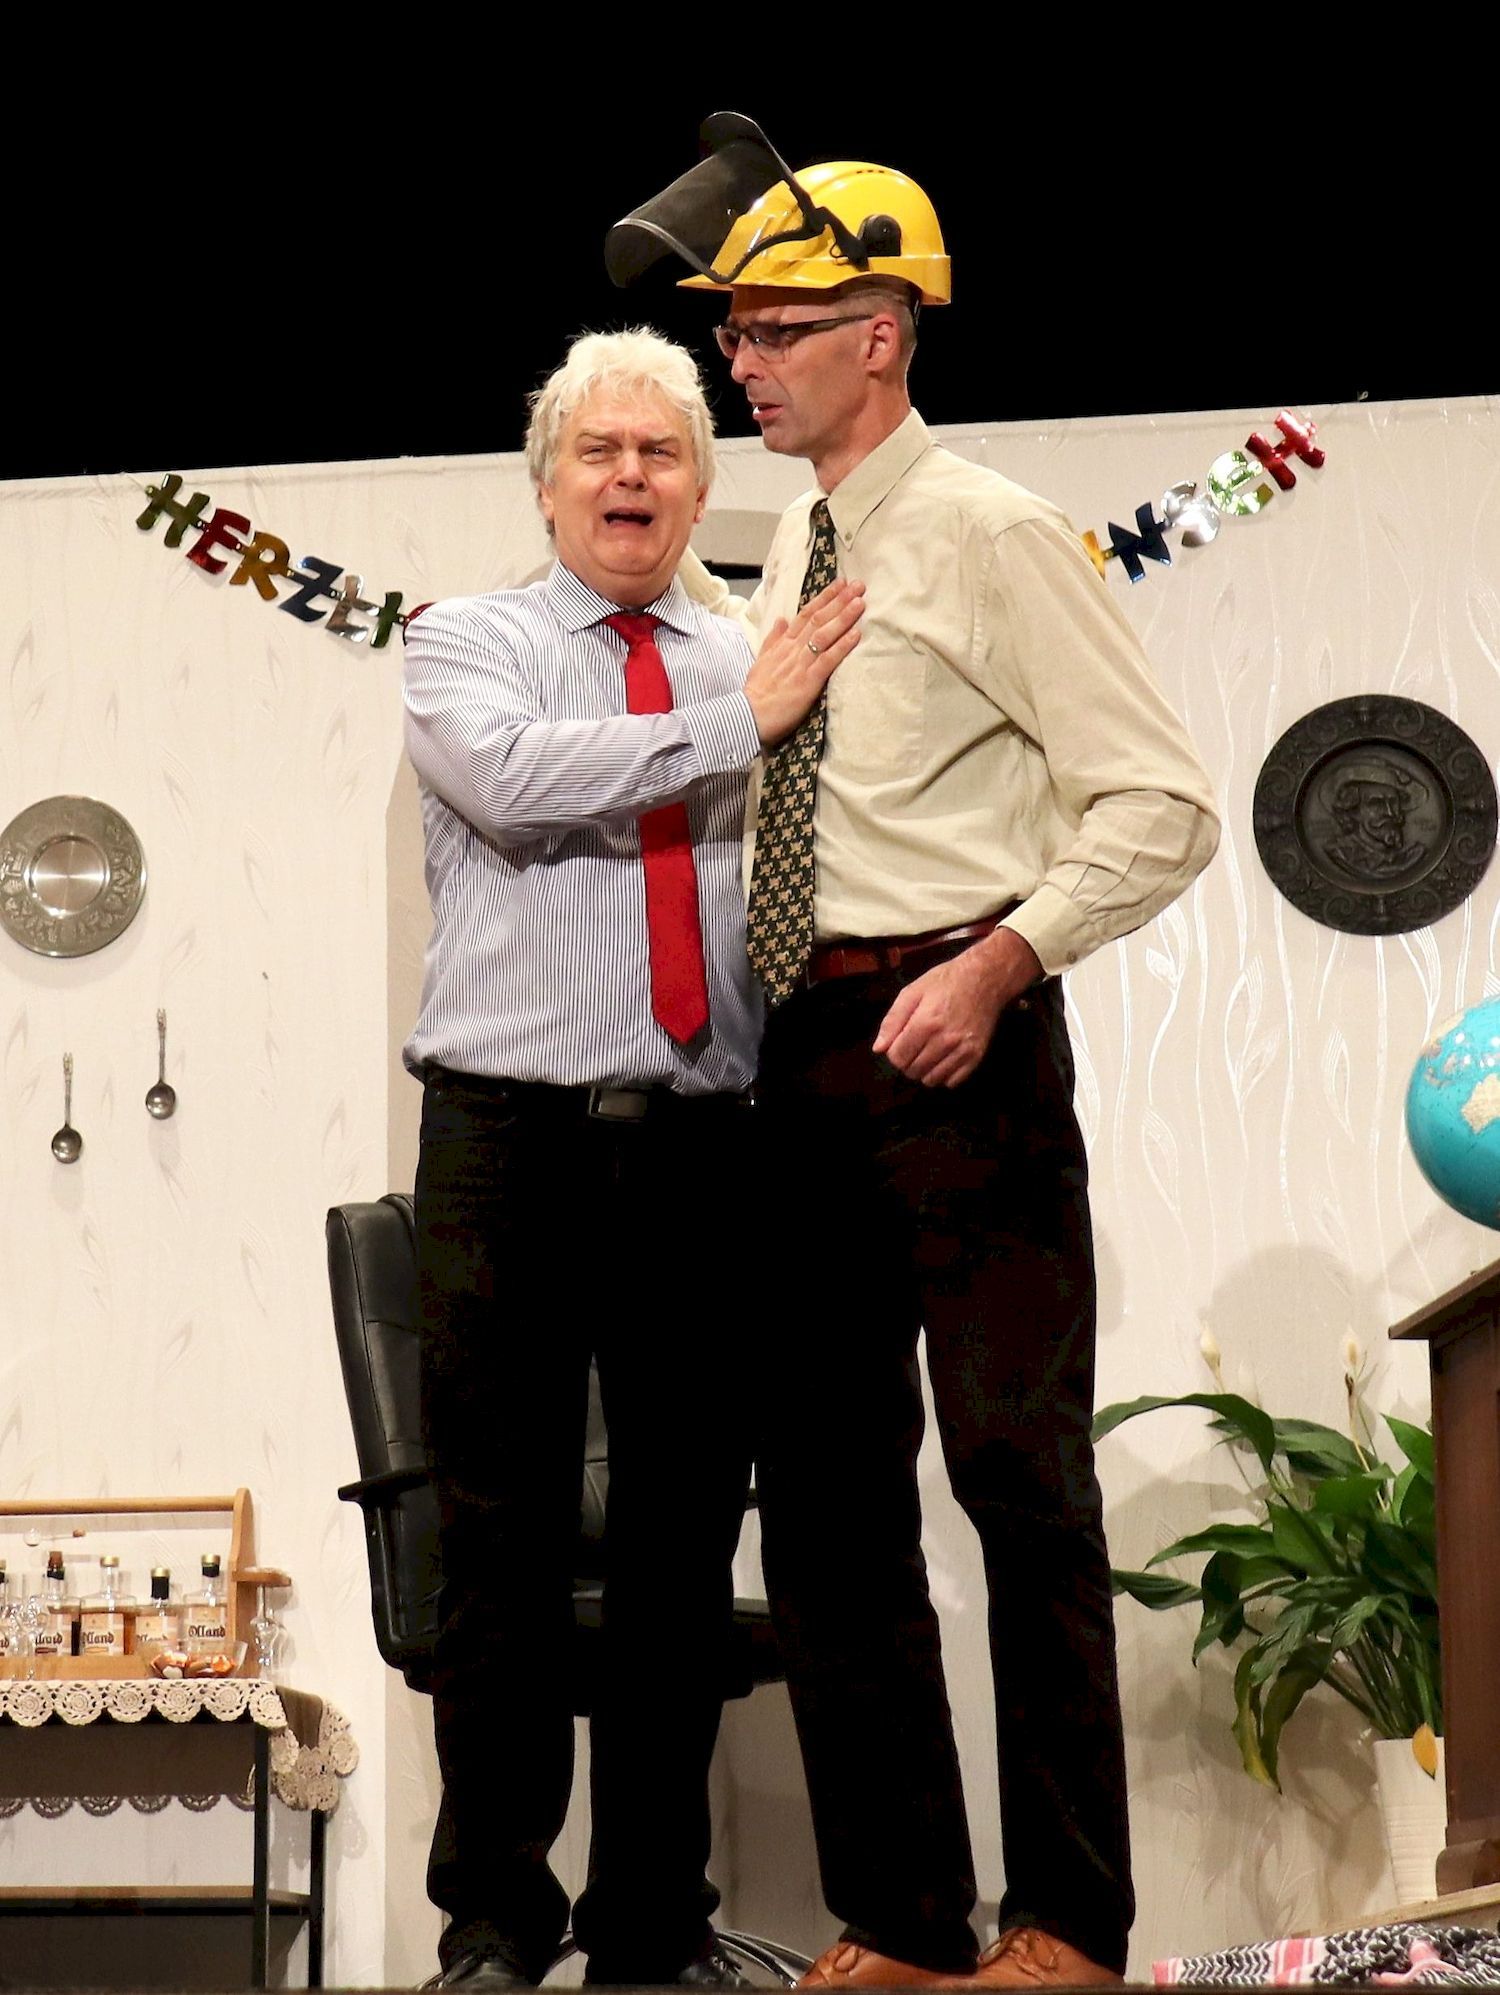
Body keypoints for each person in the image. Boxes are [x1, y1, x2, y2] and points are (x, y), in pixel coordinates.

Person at [608, 119, 1220, 1990]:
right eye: (736, 331)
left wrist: (1005, 961)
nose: (743, 361)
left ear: (883, 334)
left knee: (1020, 1481)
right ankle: (903, 1918)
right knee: (829, 1505)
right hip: (806, 1059)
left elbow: (1162, 803)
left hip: (962, 1034)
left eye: (777, 329)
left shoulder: (992, 530)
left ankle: (1071, 1924)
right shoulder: (799, 540)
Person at [402, 326, 863, 1989]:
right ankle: (493, 1920)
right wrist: (745, 721)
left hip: (707, 1150)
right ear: (547, 488)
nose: (629, 477)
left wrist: (756, 700)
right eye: (598, 452)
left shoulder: (753, 648)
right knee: (500, 1540)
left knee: (679, 1546)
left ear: (699, 483)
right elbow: (517, 781)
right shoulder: (468, 642)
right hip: (504, 1141)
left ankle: (652, 1924)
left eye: (661, 452)